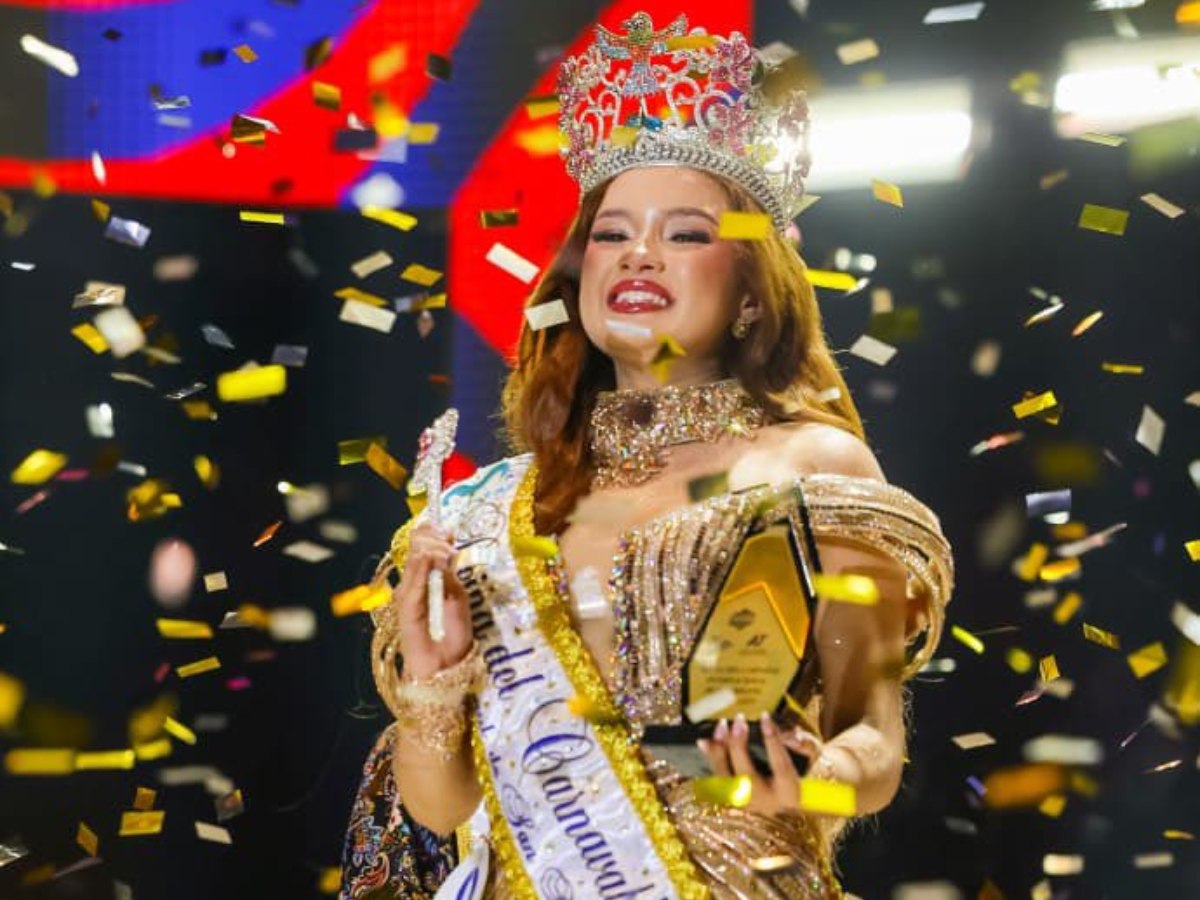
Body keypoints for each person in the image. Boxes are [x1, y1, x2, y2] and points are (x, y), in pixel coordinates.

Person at [341, 12, 954, 900]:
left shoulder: (811, 469)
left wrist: (811, 776)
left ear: (751, 293)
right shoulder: (490, 511)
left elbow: (876, 743)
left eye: (686, 234)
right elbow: (442, 808)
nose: (638, 253)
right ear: (578, 273)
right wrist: (433, 690)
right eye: (611, 232)